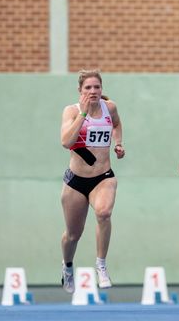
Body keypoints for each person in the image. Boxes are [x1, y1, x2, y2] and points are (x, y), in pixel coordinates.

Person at [59, 70, 124, 293]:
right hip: (76, 181)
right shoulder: (72, 111)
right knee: (73, 234)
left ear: (102, 89)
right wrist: (83, 114)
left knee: (104, 213)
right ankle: (67, 266)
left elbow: (116, 124)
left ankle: (101, 265)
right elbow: (66, 141)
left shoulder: (110, 107)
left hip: (103, 177)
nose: (93, 91)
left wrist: (118, 143)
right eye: (88, 88)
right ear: (80, 91)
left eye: (97, 87)